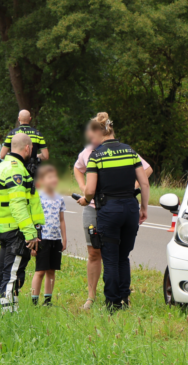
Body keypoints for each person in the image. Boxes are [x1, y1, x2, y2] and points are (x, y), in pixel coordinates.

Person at [74, 115, 153, 309]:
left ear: (100, 132)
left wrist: (86, 199)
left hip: (109, 210)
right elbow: (144, 182)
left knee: (109, 258)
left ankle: (112, 302)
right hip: (130, 209)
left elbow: (91, 190)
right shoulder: (130, 151)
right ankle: (125, 299)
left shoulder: (96, 155)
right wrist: (143, 207)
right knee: (123, 256)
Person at [0, 133, 45, 312]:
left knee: (2, 272)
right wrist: (31, 234)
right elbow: (18, 205)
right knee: (13, 275)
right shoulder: (16, 170)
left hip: (4, 228)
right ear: (27, 148)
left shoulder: (0, 167)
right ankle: (9, 315)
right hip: (16, 230)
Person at [30, 164, 67, 307]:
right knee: (40, 271)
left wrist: (64, 238)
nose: (54, 180)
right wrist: (33, 241)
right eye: (50, 177)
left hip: (55, 239)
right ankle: (34, 301)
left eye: (55, 177)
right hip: (42, 239)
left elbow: (62, 220)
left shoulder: (59, 198)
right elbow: (33, 220)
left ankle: (47, 301)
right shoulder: (37, 197)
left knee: (51, 271)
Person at [0, 109, 49, 176]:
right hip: (32, 171)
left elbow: (2, 155)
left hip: (15, 169)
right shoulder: (37, 134)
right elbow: (46, 156)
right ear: (30, 119)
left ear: (19, 119)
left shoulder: (12, 134)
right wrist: (35, 156)